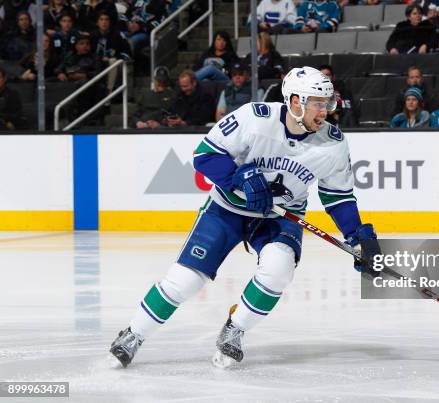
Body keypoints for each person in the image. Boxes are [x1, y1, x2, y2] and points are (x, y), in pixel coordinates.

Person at [108, 65, 382, 369]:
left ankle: (235, 329)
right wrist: (240, 178)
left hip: (280, 216)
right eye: (318, 103)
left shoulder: (333, 142)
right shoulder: (254, 118)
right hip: (227, 209)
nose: (326, 111)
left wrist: (358, 236)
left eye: (327, 104)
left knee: (278, 271)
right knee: (185, 281)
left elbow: (338, 196)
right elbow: (204, 157)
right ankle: (134, 334)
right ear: (295, 102)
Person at [90, 12, 132, 93]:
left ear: (110, 22)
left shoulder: (118, 35)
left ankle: (109, 92)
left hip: (114, 63)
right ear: (97, 22)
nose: (104, 22)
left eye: (106, 20)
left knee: (112, 61)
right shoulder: (92, 36)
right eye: (101, 20)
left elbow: (127, 53)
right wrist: (99, 58)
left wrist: (116, 57)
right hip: (96, 63)